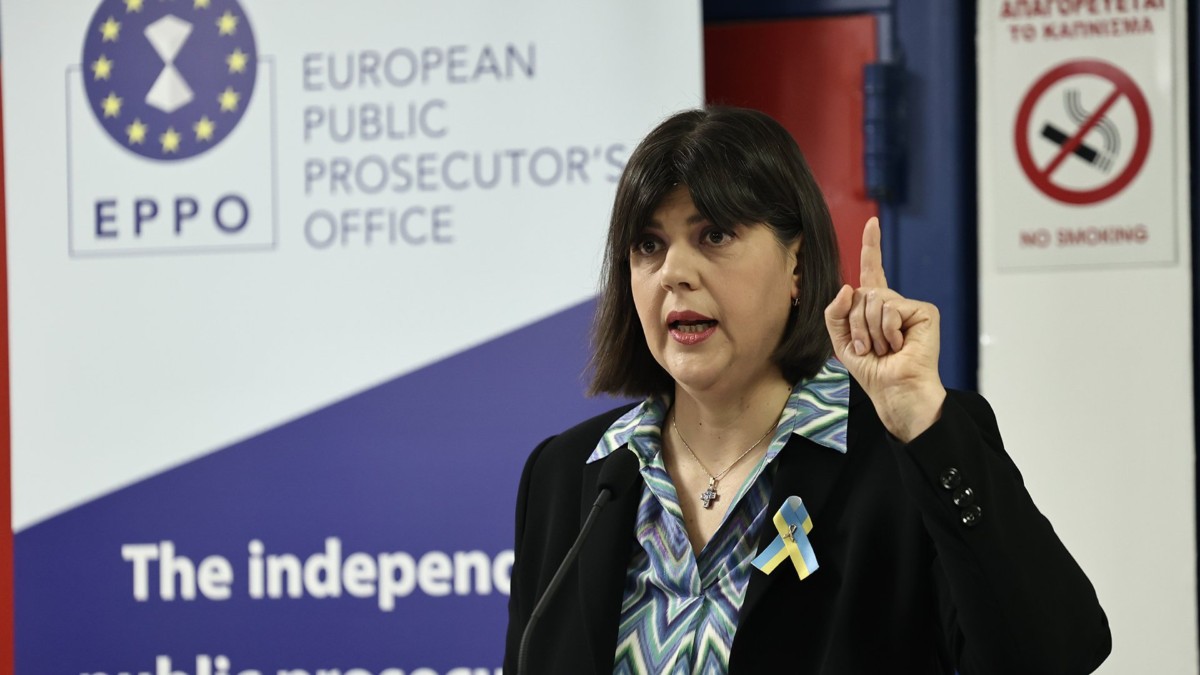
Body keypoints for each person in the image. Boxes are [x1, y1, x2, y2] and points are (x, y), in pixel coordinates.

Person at [503, 107, 1110, 674]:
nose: (674, 274)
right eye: (649, 245)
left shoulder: (905, 454)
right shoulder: (571, 475)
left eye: (714, 235)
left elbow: (1052, 654)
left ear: (796, 263)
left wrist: (923, 422)